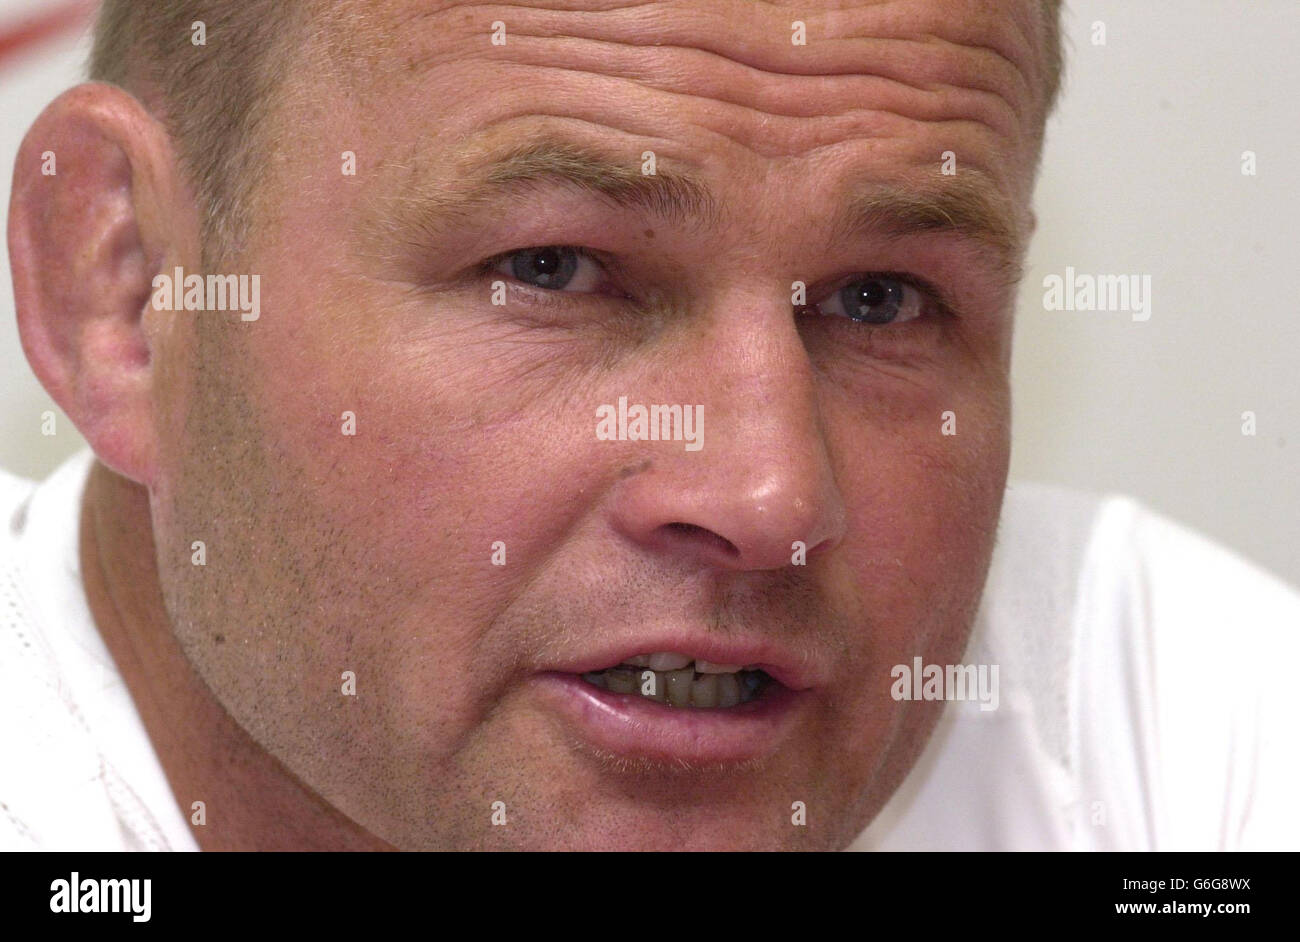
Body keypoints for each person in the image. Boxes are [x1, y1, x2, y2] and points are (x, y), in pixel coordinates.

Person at [2, 0, 1296, 851]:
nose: (771, 493)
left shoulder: (1177, 745)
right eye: (557, 268)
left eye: (879, 299)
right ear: (126, 291)